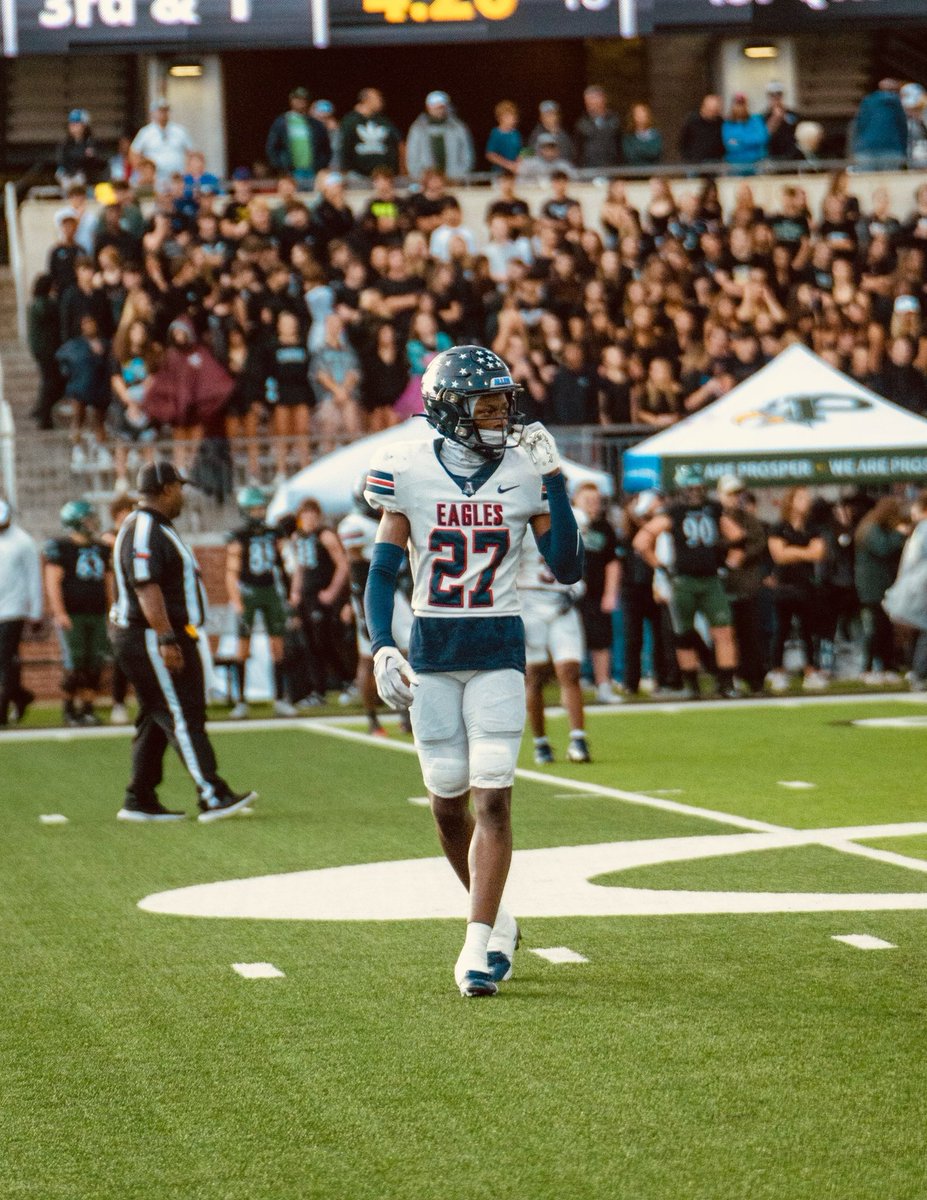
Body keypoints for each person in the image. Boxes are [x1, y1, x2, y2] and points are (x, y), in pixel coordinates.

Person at [362, 345, 584, 997]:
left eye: (501, 403)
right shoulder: (405, 468)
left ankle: (475, 941)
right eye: (485, 406)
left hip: (496, 646)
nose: (498, 417)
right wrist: (382, 643)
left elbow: (567, 567)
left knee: (492, 794)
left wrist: (556, 483)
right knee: (447, 802)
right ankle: (499, 920)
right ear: (448, 410)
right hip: (432, 647)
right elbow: (381, 571)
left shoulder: (522, 470)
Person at [110, 462, 257, 822]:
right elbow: (146, 586)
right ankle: (213, 794)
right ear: (165, 489)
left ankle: (139, 798)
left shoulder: (155, 526)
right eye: (179, 487)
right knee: (181, 713)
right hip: (150, 636)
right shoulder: (144, 528)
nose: (183, 496)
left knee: (155, 715)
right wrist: (166, 637)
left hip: (158, 635)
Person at [634, 466, 741, 701]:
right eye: (690, 488)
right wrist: (661, 567)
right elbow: (641, 541)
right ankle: (693, 685)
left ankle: (726, 683)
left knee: (723, 631)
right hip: (684, 580)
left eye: (697, 487)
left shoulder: (713, 509)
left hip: (710, 578)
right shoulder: (673, 512)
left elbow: (738, 537)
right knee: (683, 634)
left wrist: (730, 562)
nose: (694, 492)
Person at [338, 480, 414, 737]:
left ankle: (407, 713)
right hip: (370, 596)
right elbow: (357, 571)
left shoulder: (390, 518)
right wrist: (361, 610)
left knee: (410, 649)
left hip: (395, 591)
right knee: (369, 657)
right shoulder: (354, 524)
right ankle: (372, 718)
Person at [518, 513, 590, 764]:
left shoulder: (570, 518)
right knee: (534, 676)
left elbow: (579, 560)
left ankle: (579, 738)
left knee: (569, 670)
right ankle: (541, 742)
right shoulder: (517, 517)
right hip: (529, 602)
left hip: (561, 602)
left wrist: (577, 587)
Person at [225, 486, 297, 720]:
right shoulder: (239, 536)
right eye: (255, 508)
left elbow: (284, 563)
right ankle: (241, 701)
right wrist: (237, 601)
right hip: (248, 591)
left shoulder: (273, 532)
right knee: (242, 648)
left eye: (261, 508)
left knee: (277, 647)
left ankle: (280, 699)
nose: (259, 512)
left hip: (270, 590)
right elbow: (231, 572)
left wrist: (287, 593)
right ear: (245, 510)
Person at [44, 500, 112, 728]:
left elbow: (108, 583)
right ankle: (69, 710)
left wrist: (111, 609)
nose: (92, 522)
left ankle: (88, 709)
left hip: (97, 612)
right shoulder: (61, 547)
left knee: (95, 663)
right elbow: (53, 582)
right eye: (87, 518)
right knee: (75, 662)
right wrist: (59, 612)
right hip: (73, 614)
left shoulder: (101, 548)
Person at [289, 498, 350, 706]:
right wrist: (295, 591)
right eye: (306, 516)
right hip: (306, 596)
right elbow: (300, 567)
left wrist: (332, 591)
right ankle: (320, 689)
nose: (309, 520)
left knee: (322, 642)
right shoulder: (298, 537)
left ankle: (342, 681)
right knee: (310, 644)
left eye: (313, 515)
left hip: (320, 595)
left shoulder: (325, 536)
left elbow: (342, 564)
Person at [767, 486, 827, 692]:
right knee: (781, 630)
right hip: (784, 586)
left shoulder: (813, 527)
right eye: (801, 498)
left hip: (807, 586)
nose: (806, 502)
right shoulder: (779, 527)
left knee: (808, 631)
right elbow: (779, 556)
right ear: (791, 501)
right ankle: (777, 671)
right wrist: (803, 551)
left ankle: (811, 671)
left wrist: (791, 550)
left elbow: (818, 553)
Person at [717, 475, 768, 696]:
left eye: (738, 494)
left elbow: (758, 543)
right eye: (731, 494)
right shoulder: (715, 519)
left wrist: (740, 555)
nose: (735, 498)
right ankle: (728, 676)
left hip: (745, 586)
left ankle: (754, 678)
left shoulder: (749, 519)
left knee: (749, 635)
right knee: (724, 636)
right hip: (722, 587)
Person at [572, 481, 620, 704]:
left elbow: (612, 562)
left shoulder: (605, 528)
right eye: (587, 500)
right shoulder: (564, 524)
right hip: (568, 594)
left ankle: (603, 685)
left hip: (596, 592)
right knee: (569, 643)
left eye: (596, 500)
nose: (593, 505)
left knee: (601, 641)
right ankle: (572, 688)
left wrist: (610, 594)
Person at [855, 497, 907, 686]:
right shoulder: (871, 529)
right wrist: (899, 534)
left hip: (880, 587)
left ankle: (885, 667)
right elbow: (883, 548)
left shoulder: (872, 526)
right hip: (871, 588)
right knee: (874, 629)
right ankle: (867, 668)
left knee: (884, 629)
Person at [0, 499, 41, 728]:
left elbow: (33, 578)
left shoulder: (23, 542)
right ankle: (20, 695)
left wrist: (36, 611)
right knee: (7, 662)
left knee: (4, 660)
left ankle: (3, 710)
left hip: (13, 610)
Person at [101, 493, 135, 724]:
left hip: (136, 604)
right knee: (120, 656)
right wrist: (111, 607)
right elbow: (107, 578)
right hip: (118, 604)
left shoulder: (134, 537)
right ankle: (118, 702)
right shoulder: (110, 539)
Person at [265, 87, 331, 188]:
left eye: (303, 99)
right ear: (291, 100)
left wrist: (321, 166)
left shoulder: (315, 124)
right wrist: (281, 168)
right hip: (291, 173)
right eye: (297, 99)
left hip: (313, 172)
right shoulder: (282, 122)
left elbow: (326, 148)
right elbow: (272, 147)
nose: (300, 102)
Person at [406, 92, 475, 182]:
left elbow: (467, 152)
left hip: (454, 179)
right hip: (428, 180)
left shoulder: (458, 127)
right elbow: (412, 154)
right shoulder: (418, 128)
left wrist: (460, 173)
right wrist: (418, 175)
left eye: (441, 107)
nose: (439, 110)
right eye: (435, 107)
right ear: (428, 107)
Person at [339, 88, 402, 178]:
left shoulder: (384, 121)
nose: (381, 101)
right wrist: (346, 170)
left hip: (383, 176)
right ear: (366, 100)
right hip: (358, 175)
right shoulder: (350, 121)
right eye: (377, 98)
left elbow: (395, 144)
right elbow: (345, 147)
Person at [130, 100, 193, 188]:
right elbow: (134, 153)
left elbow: (190, 152)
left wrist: (188, 170)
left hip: (177, 176)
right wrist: (143, 172)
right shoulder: (145, 132)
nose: (163, 114)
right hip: (156, 178)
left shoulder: (180, 131)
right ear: (153, 113)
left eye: (165, 111)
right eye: (160, 111)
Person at [852, 79, 908, 171]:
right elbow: (902, 127)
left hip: (865, 149)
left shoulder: (867, 101)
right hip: (892, 150)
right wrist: (904, 150)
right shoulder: (897, 103)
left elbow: (860, 125)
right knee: (890, 183)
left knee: (865, 183)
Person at [56, 108, 105, 189]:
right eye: (71, 123)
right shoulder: (65, 144)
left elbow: (98, 163)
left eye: (77, 123)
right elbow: (62, 161)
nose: (73, 126)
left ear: (85, 125)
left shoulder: (92, 143)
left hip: (87, 181)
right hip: (68, 179)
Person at [574, 85, 621, 170]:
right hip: (589, 170)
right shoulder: (581, 124)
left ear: (602, 99)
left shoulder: (614, 121)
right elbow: (578, 150)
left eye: (592, 100)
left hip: (612, 168)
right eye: (587, 101)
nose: (589, 104)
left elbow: (620, 146)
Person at [722, 94, 769, 173]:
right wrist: (750, 139)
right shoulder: (727, 124)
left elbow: (762, 138)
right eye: (737, 104)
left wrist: (740, 140)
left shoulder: (756, 120)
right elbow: (729, 144)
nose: (740, 108)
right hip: (734, 166)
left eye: (742, 104)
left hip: (756, 164)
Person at [680, 94, 725, 167]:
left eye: (715, 110)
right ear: (704, 107)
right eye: (710, 110)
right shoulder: (692, 122)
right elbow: (683, 142)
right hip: (695, 162)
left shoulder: (721, 122)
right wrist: (689, 157)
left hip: (715, 162)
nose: (713, 113)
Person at [485, 100, 523, 176]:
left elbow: (522, 151)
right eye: (509, 116)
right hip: (499, 173)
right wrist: (508, 165)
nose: (513, 119)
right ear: (500, 117)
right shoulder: (496, 133)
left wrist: (518, 164)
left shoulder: (516, 134)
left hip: (515, 173)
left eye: (514, 116)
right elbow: (490, 155)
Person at [763, 83, 800, 161]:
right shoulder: (764, 116)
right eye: (773, 95)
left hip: (791, 154)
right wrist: (775, 118)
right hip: (772, 154)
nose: (776, 98)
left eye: (778, 94)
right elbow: (765, 134)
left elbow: (797, 130)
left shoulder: (792, 114)